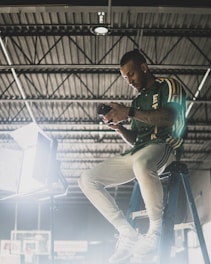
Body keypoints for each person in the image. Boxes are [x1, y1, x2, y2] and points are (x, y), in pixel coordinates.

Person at [79, 49, 187, 263]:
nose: (129, 81)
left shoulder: (168, 85)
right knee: (87, 179)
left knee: (141, 162)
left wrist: (128, 112)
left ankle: (155, 230)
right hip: (140, 151)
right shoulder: (138, 101)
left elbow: (169, 118)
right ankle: (127, 233)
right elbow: (136, 138)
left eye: (131, 75)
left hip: (166, 146)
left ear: (144, 68)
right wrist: (118, 127)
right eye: (125, 78)